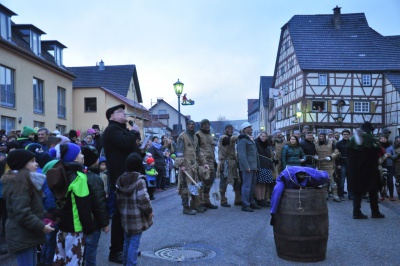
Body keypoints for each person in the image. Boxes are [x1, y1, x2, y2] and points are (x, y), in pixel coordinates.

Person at [103, 104, 143, 264]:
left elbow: (130, 148)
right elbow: (126, 144)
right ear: (112, 116)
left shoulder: (121, 130)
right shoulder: (112, 130)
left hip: (129, 177)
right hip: (121, 179)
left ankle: (126, 247)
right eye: (120, 112)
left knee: (128, 214)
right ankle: (115, 251)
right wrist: (134, 132)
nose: (124, 113)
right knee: (120, 217)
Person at [2, 149, 54, 265]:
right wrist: (41, 226)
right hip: (22, 234)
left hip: (26, 234)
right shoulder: (20, 184)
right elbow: (22, 213)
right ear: (22, 164)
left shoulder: (24, 181)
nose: (36, 164)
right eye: (32, 161)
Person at [53, 143, 96, 265]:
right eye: (80, 153)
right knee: (74, 262)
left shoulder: (60, 173)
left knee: (59, 260)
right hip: (75, 228)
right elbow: (84, 205)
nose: (83, 156)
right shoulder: (79, 177)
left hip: (62, 226)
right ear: (74, 158)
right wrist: (89, 227)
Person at [116, 152, 153, 266]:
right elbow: (144, 199)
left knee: (127, 240)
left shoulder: (120, 179)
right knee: (134, 242)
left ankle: (126, 262)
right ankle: (131, 264)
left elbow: (118, 199)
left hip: (125, 216)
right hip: (136, 217)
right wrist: (149, 211)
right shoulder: (139, 180)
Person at [348, 122, 385, 219]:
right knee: (373, 191)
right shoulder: (372, 139)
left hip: (356, 170)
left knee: (357, 191)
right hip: (370, 170)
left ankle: (356, 212)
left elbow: (349, 153)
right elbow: (379, 152)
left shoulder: (352, 140)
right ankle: (375, 212)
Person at [81, 146, 110, 266]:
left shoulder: (81, 174)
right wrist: (105, 223)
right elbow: (99, 203)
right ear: (96, 160)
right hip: (92, 221)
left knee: (83, 249)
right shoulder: (94, 179)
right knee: (91, 250)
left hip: (82, 219)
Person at [175, 120, 209, 215]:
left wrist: (204, 162)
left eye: (193, 124)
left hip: (194, 165)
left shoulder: (195, 137)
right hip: (186, 166)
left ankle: (195, 204)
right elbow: (179, 152)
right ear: (186, 125)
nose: (191, 126)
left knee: (195, 185)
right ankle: (185, 207)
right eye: (190, 124)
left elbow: (198, 151)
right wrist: (181, 164)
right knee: (185, 186)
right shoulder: (182, 136)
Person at [237, 122, 261, 212]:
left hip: (253, 166)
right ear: (244, 129)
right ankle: (245, 204)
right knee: (246, 186)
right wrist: (246, 166)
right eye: (249, 127)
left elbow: (254, 154)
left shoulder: (249, 139)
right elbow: (242, 155)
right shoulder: (242, 140)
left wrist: (257, 166)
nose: (251, 128)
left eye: (250, 127)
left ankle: (251, 202)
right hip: (248, 167)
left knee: (252, 185)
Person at [195, 119, 218, 210]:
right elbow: (196, 149)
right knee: (201, 182)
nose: (207, 126)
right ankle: (200, 202)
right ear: (201, 125)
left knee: (210, 181)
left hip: (211, 161)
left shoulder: (210, 135)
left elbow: (213, 149)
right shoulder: (198, 135)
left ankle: (207, 201)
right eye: (205, 124)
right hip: (202, 162)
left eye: (208, 124)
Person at [217, 124, 240, 207]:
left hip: (233, 163)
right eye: (228, 129)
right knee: (224, 181)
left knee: (236, 180)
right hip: (225, 163)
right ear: (225, 130)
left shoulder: (232, 139)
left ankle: (238, 199)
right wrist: (241, 136)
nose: (230, 130)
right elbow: (230, 139)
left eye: (231, 129)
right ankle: (223, 200)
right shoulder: (223, 138)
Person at [315, 131, 341, 202]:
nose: (321, 138)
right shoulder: (316, 144)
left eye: (322, 136)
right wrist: (315, 156)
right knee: (324, 181)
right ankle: (325, 194)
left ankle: (335, 195)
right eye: (319, 136)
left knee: (332, 181)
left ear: (325, 136)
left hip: (329, 165)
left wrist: (331, 157)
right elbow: (314, 152)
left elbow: (337, 152)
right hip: (321, 164)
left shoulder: (331, 143)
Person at [254, 131, 274, 207]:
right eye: (262, 136)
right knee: (259, 183)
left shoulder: (267, 145)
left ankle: (263, 199)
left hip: (267, 165)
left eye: (265, 136)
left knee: (264, 183)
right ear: (259, 136)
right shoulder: (256, 143)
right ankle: (259, 199)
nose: (264, 138)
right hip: (260, 165)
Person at [336, 129, 352, 200]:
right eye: (344, 134)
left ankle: (350, 195)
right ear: (342, 135)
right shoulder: (339, 143)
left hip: (351, 163)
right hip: (342, 163)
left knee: (350, 180)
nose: (346, 136)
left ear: (349, 135)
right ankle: (341, 194)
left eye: (347, 134)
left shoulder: (352, 143)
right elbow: (336, 155)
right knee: (341, 180)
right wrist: (337, 164)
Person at [379, 136, 396, 201]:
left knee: (390, 180)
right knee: (382, 181)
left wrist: (390, 155)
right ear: (380, 140)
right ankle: (382, 195)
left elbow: (395, 156)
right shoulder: (379, 147)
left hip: (390, 165)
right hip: (382, 166)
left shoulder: (391, 147)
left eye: (384, 138)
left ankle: (391, 195)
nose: (383, 140)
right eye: (382, 138)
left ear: (387, 139)